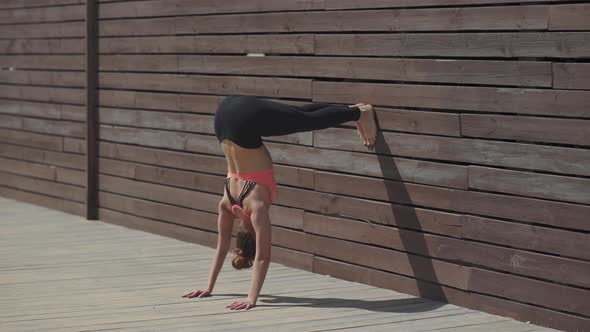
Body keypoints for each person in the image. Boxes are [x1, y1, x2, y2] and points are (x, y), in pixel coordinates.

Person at [181, 95, 377, 310]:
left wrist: (251, 299)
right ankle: (350, 109)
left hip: (244, 123)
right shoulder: (227, 204)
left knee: (304, 120)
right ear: (240, 231)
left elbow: (263, 257)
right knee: (298, 114)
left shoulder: (256, 207)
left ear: (254, 234)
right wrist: (208, 287)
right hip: (224, 117)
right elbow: (221, 247)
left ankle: (359, 112)